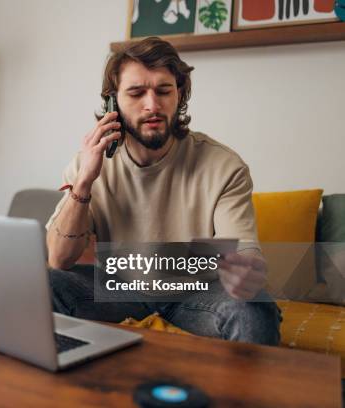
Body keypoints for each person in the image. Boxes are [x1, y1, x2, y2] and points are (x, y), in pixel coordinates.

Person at [45, 37, 281, 345]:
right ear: (112, 102)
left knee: (254, 307)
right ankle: (77, 388)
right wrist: (84, 183)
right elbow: (59, 259)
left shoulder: (224, 165)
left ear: (179, 95)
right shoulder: (88, 164)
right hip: (119, 290)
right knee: (44, 285)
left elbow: (244, 251)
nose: (152, 105)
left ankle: (243, 396)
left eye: (163, 91)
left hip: (197, 295)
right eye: (136, 92)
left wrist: (247, 269)